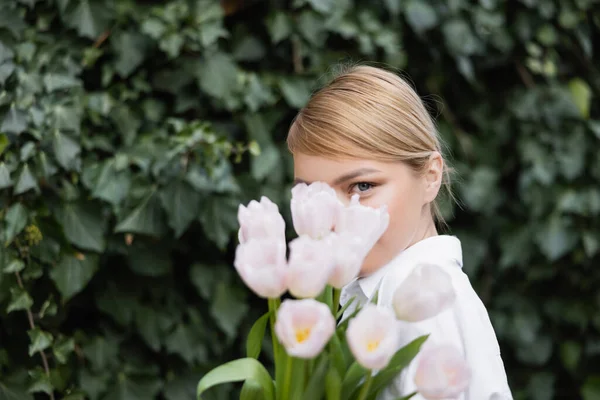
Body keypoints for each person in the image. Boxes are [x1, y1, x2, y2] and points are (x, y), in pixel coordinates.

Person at [287, 65, 513, 400]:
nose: (333, 219)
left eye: (362, 186)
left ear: (430, 177)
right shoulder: (381, 288)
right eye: (312, 193)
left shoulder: (415, 300)